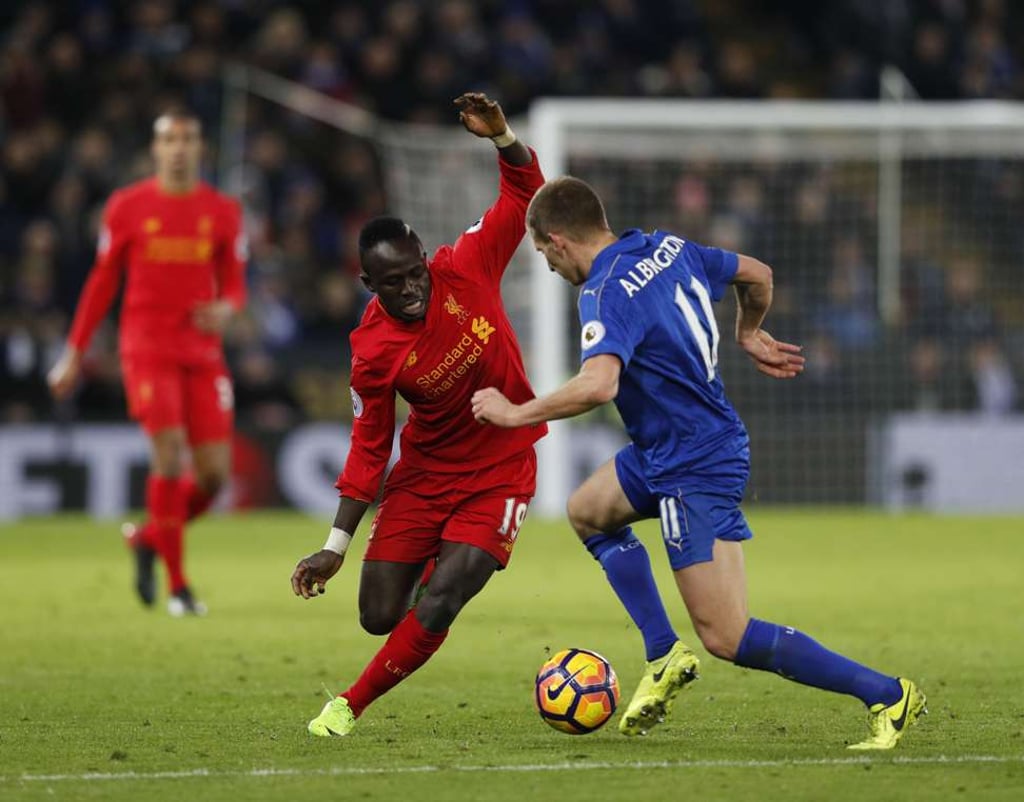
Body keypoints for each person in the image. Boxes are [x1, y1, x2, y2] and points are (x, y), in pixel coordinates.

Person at [471, 176, 926, 750]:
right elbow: (757, 272)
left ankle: (887, 693)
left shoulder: (604, 290)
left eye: (542, 254)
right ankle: (663, 653)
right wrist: (749, 330)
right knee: (587, 511)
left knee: (727, 635)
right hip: (670, 447)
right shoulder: (669, 247)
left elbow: (599, 384)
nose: (549, 267)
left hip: (694, 463)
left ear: (558, 241)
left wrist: (516, 414)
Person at [290, 92, 545, 737]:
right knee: (379, 616)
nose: (410, 290)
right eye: (393, 284)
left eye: (414, 274)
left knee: (441, 597)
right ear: (367, 286)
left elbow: (524, 197)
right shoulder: (372, 353)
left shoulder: (466, 268)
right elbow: (370, 447)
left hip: (501, 470)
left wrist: (504, 138)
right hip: (427, 476)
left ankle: (348, 705)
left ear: (425, 258)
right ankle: (436, 578)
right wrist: (333, 547)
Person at [48, 110, 246, 617]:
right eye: (169, 140)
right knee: (169, 453)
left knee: (214, 478)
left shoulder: (222, 211)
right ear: (155, 150)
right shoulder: (127, 206)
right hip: (147, 348)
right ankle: (179, 587)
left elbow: (236, 283)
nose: (178, 148)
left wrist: (228, 308)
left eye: (187, 139)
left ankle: (147, 538)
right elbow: (101, 282)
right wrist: (74, 353)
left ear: (201, 148)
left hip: (202, 354)